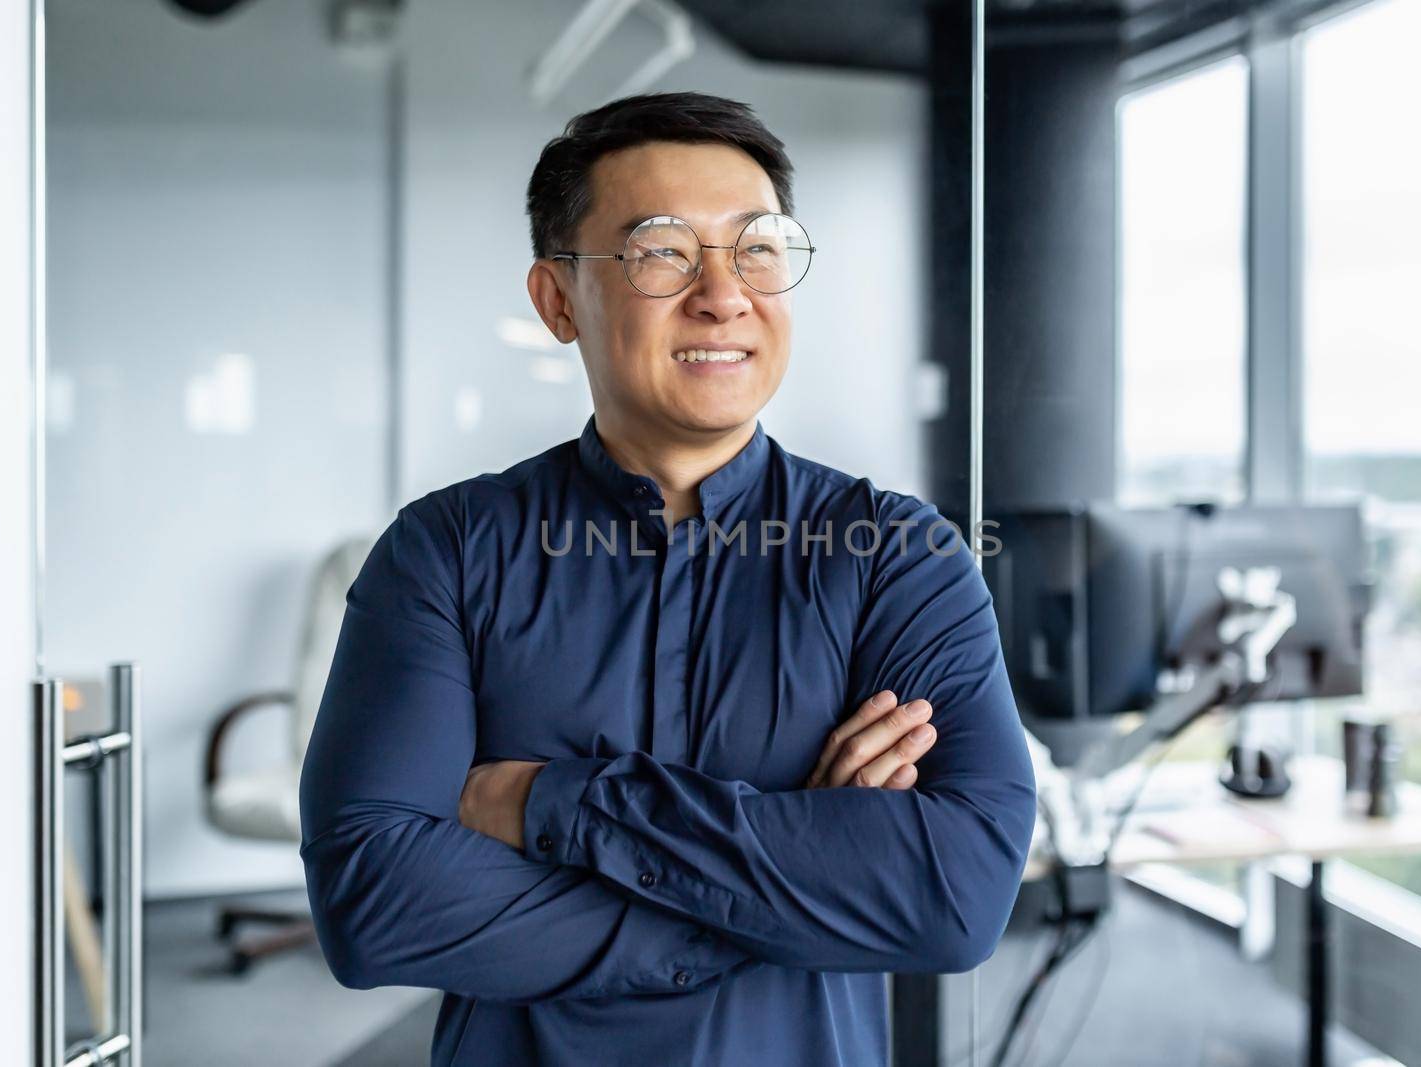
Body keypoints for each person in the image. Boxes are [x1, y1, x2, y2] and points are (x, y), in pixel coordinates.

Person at [298, 90, 1036, 1067]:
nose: (723, 293)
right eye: (661, 249)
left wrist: (552, 806)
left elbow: (956, 896)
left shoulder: (898, 554)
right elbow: (373, 904)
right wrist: (798, 884)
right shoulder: (447, 551)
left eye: (757, 248)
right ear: (558, 299)